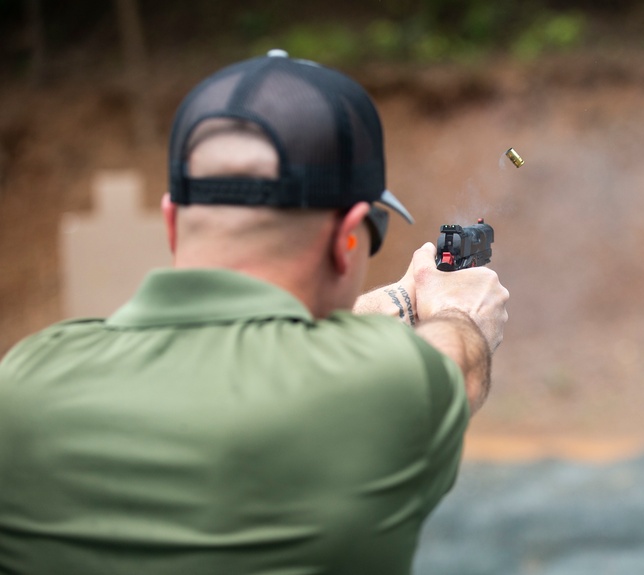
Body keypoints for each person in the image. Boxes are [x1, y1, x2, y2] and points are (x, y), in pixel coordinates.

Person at [0, 50, 509, 574]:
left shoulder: (25, 379)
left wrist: (399, 301)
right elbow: (456, 367)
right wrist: (457, 312)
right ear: (348, 239)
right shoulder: (384, 390)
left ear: (172, 222)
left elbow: (219, 359)